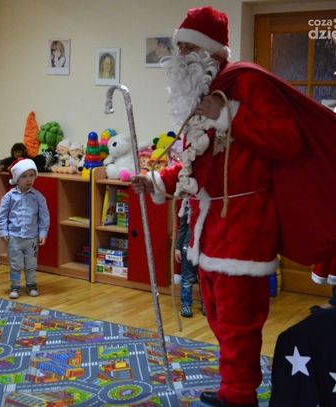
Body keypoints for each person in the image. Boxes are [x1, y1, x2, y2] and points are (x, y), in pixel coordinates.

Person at [131, 5, 336, 406]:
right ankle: (233, 386)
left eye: (188, 48)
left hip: (244, 224)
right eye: (180, 47)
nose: (181, 56)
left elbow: (287, 139)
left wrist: (229, 114)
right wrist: (156, 181)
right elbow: (198, 163)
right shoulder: (202, 94)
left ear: (211, 51)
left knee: (239, 319)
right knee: (217, 315)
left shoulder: (246, 82)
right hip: (209, 227)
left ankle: (239, 396)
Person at [0, 158, 50, 299]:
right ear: (17, 178)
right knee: (16, 264)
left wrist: (43, 232)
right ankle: (15, 286)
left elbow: (44, 216)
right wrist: (3, 231)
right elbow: (2, 216)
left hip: (32, 238)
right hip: (14, 237)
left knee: (31, 263)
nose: (29, 179)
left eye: (32, 175)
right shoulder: (9, 197)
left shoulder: (38, 197)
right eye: (24, 176)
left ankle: (31, 285)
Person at [174, 200, 204, 318]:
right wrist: (178, 247)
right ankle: (185, 305)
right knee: (187, 278)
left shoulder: (208, 204)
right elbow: (182, 228)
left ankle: (206, 304)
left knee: (204, 279)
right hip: (188, 247)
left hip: (204, 248)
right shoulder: (186, 205)